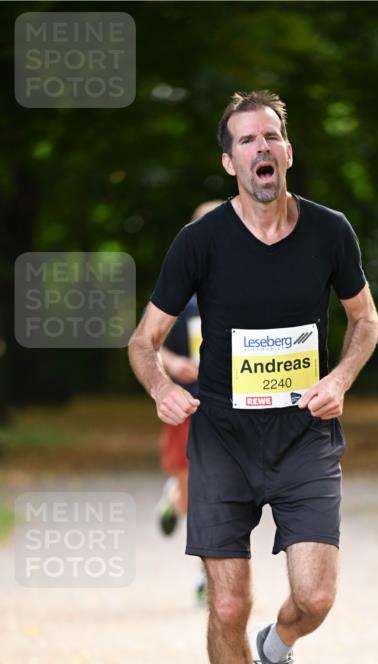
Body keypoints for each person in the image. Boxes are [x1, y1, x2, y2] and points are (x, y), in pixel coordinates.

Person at [128, 90, 378, 664]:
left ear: (288, 151)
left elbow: (364, 321)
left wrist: (341, 377)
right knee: (227, 605)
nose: (260, 148)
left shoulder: (330, 232)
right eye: (246, 140)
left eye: (271, 136)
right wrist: (160, 389)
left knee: (316, 594)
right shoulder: (199, 244)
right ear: (229, 159)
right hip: (223, 440)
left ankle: (280, 649)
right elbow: (143, 341)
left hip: (303, 432)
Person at [155, 202, 222, 603]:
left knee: (218, 492)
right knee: (192, 490)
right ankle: (171, 498)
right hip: (186, 404)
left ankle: (208, 576)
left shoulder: (249, 284)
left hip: (230, 408)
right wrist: (174, 362)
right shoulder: (178, 288)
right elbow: (148, 344)